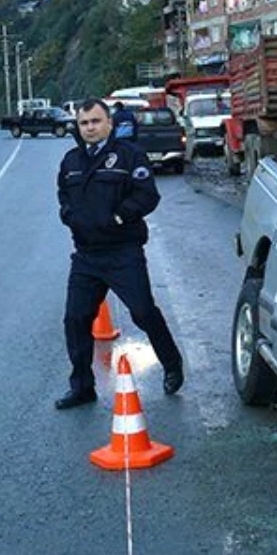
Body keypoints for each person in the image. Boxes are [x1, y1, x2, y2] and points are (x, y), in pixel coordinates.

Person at [54, 98, 183, 409]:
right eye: (84, 123)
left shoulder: (129, 156)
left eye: (96, 121)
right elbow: (63, 197)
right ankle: (83, 387)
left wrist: (119, 216)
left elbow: (147, 196)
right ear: (78, 126)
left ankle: (172, 364)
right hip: (86, 255)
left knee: (143, 311)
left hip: (123, 251)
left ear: (109, 123)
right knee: (75, 318)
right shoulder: (71, 161)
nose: (90, 128)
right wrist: (71, 217)